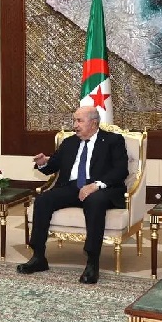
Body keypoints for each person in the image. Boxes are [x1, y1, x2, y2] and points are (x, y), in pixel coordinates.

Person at [17, 106, 129, 284]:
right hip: (72, 187)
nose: (75, 125)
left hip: (101, 189)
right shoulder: (69, 142)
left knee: (95, 201)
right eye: (74, 120)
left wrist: (96, 185)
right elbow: (53, 165)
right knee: (43, 200)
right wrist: (43, 163)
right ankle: (38, 257)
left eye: (79, 121)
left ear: (94, 123)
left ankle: (92, 262)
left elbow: (121, 170)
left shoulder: (112, 140)